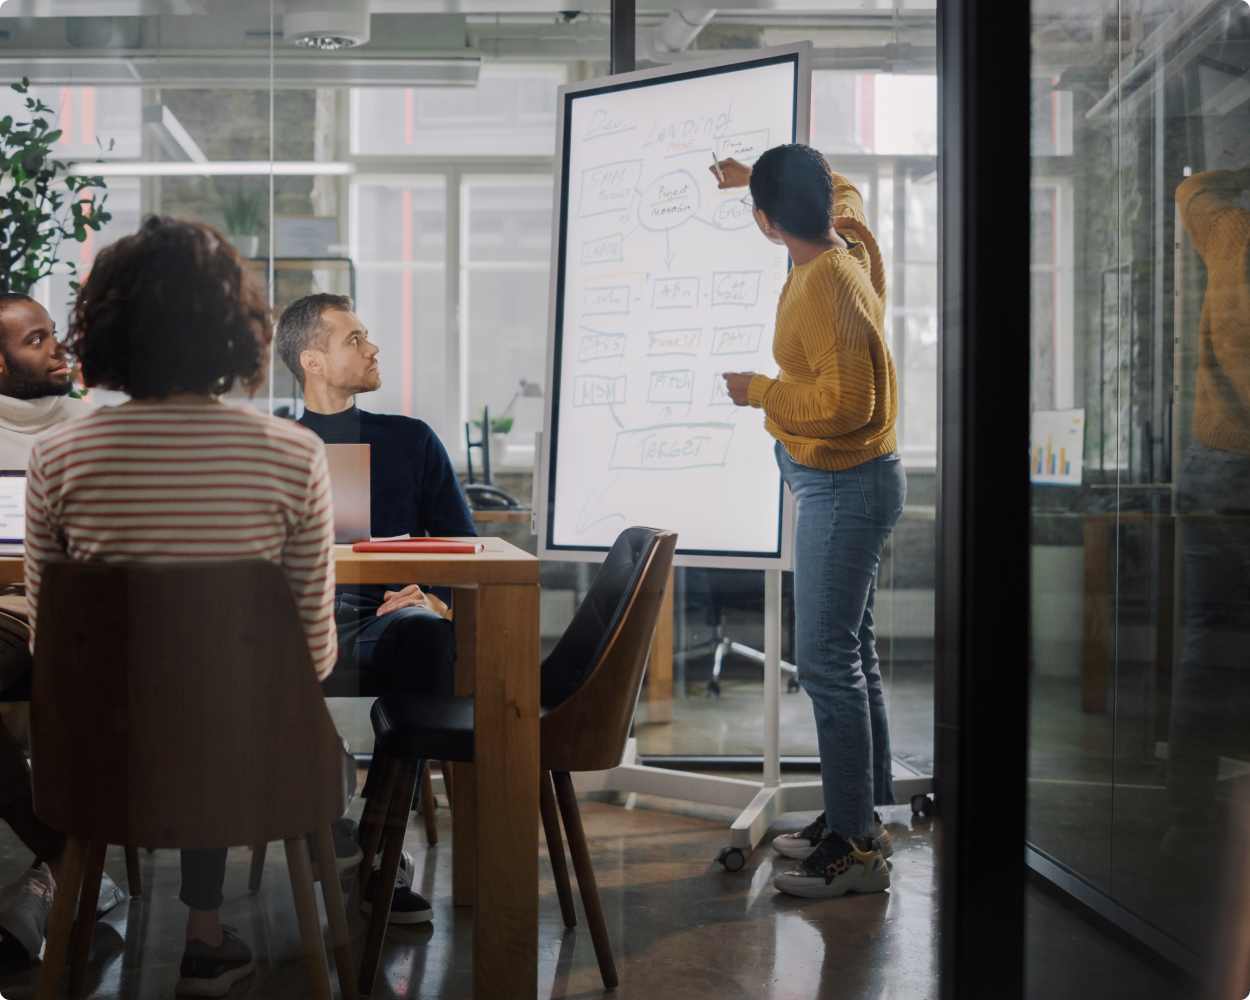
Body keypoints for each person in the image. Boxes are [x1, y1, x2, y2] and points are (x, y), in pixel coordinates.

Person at [23, 217, 337, 996]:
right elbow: (314, 657)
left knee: (172, 693)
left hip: (105, 767)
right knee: (221, 691)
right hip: (257, 765)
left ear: (101, 329)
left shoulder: (57, 457)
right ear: (237, 328)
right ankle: (207, 932)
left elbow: (49, 646)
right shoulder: (294, 454)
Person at [713, 145, 903, 899]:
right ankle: (862, 815)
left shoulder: (828, 280)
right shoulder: (848, 235)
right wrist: (750, 177)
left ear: (764, 223)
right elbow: (841, 186)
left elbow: (849, 407)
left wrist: (760, 390)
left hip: (842, 486)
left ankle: (856, 850)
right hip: (843, 482)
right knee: (852, 651)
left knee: (827, 661)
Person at [274, 293, 475, 925]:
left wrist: (433, 596)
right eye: (354, 339)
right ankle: (327, 824)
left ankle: (381, 845)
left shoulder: (409, 439)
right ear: (312, 359)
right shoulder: (273, 444)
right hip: (291, 627)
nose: (373, 347)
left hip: (386, 621)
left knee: (426, 637)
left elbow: (462, 546)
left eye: (369, 337)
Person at [0, 292, 128, 967]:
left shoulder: (93, 427)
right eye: (36, 340)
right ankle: (64, 859)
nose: (57, 350)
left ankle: (61, 870)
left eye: (56, 335)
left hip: (79, 616)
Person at [1165, 167, 1250, 858]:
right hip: (1243, 474)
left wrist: (1238, 173)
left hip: (1205, 461)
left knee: (1206, 641)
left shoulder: (1232, 235)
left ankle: (1188, 816)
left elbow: (1191, 188)